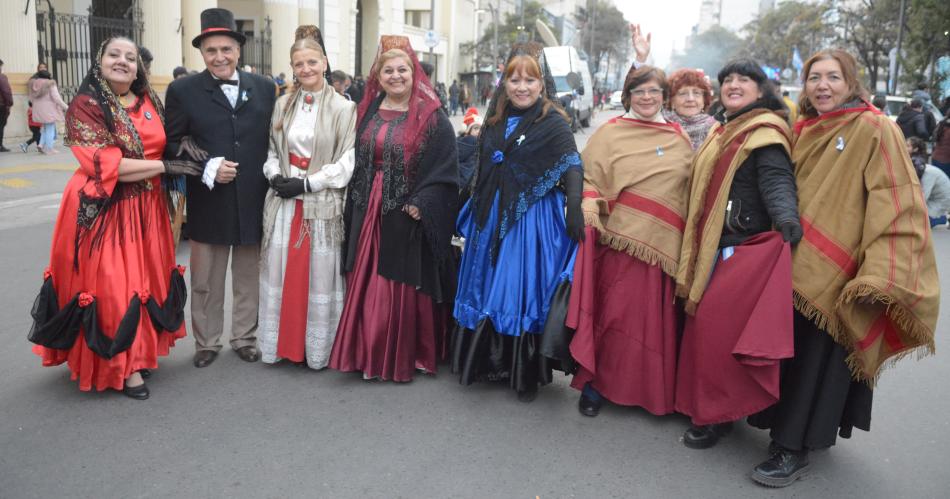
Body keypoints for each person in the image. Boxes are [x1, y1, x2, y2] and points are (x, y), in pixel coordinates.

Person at [747, 49, 938, 488]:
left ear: (851, 82)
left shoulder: (874, 127)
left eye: (833, 77)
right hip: (790, 263)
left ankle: (791, 448)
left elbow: (897, 200)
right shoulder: (803, 128)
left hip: (840, 270)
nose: (823, 86)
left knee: (816, 364)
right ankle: (778, 428)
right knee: (788, 355)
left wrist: (878, 272)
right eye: (815, 77)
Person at [28, 37, 201, 398]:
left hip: (148, 206)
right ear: (100, 61)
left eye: (130, 57)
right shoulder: (85, 105)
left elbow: (165, 140)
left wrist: (183, 148)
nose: (122, 61)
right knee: (114, 286)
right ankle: (123, 367)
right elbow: (107, 165)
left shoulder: (148, 100)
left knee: (145, 281)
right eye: (114, 55)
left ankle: (139, 352)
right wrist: (166, 165)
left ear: (138, 67)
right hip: (104, 207)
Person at [674, 59, 800, 451]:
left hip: (740, 249)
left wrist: (786, 218)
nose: (733, 84)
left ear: (760, 91)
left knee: (716, 335)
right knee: (703, 332)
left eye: (743, 80)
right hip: (712, 245)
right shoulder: (724, 129)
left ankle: (718, 418)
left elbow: (777, 179)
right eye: (728, 79)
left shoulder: (763, 133)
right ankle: (706, 405)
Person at [451, 42, 583, 402]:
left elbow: (572, 163)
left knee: (517, 287)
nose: (521, 87)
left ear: (542, 84)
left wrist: (573, 206)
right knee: (485, 285)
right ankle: (484, 361)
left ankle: (519, 367)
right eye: (514, 80)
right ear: (504, 83)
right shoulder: (494, 119)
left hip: (529, 217)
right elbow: (481, 168)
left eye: (529, 80)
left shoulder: (552, 121)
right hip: (491, 214)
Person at [329, 35, 459, 382]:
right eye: (389, 70)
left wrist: (423, 201)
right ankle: (364, 351)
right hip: (366, 204)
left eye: (403, 69)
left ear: (413, 72)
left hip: (404, 208)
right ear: (378, 75)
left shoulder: (431, 117)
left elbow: (447, 167)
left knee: (397, 280)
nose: (396, 75)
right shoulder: (367, 109)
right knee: (364, 275)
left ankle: (404, 354)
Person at [566, 64, 693, 418]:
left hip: (664, 245)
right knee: (614, 317)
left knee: (655, 323)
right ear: (628, 96)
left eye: (654, 92)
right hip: (619, 241)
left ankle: (653, 391)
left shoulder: (678, 135)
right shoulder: (610, 132)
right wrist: (590, 200)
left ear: (664, 96)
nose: (648, 98)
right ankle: (596, 385)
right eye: (640, 92)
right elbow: (589, 174)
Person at [164, 7, 277, 368]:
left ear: (238, 50)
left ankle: (244, 336)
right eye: (211, 50)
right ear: (201, 53)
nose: (219, 57)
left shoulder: (264, 88)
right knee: (206, 280)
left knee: (248, 277)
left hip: (252, 198)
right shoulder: (182, 90)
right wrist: (207, 165)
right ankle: (207, 341)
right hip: (208, 198)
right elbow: (173, 142)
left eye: (226, 49)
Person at [258, 26, 356, 368]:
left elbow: (347, 161)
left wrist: (308, 184)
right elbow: (271, 150)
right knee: (282, 274)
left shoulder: (344, 108)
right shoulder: (283, 104)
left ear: (325, 62)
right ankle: (282, 345)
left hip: (320, 203)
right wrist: (275, 176)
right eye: (298, 64)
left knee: (316, 275)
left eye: (312, 62)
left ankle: (315, 350)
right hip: (284, 203)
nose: (306, 69)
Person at [628, 24, 715, 150]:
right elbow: (633, 96)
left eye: (696, 93)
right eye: (683, 93)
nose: (690, 99)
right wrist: (640, 59)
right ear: (671, 100)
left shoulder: (718, 132)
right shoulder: (656, 125)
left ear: (704, 100)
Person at [907, 136, 950, 227]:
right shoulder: (922, 169)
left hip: (940, 202)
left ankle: (940, 218)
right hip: (933, 199)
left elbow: (922, 197)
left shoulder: (928, 174)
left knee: (916, 222)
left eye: (907, 146)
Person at [28, 69, 69, 155]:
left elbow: (31, 99)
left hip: (38, 110)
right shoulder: (50, 84)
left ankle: (41, 145)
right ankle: (49, 149)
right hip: (49, 110)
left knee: (45, 128)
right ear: (48, 77)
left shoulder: (34, 84)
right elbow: (56, 98)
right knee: (50, 129)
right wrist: (66, 107)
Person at [457, 108, 482, 188]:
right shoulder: (475, 143)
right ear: (467, 130)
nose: (479, 131)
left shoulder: (457, 142)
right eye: (475, 128)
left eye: (480, 129)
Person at [0, 59, 11, 152]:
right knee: (1, 125)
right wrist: (10, 102)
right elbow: (6, 91)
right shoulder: (2, 77)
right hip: (1, 105)